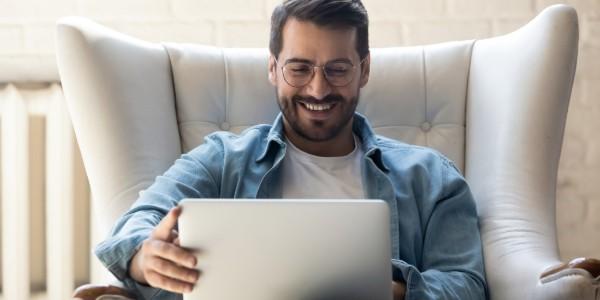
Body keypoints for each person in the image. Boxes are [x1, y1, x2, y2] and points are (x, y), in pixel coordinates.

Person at [95, 0, 488, 299]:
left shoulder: (432, 177)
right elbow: (140, 219)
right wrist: (143, 257)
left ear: (364, 70)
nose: (318, 90)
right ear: (272, 68)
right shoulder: (222, 160)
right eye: (299, 69)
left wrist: (392, 290)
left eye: (338, 69)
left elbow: (466, 283)